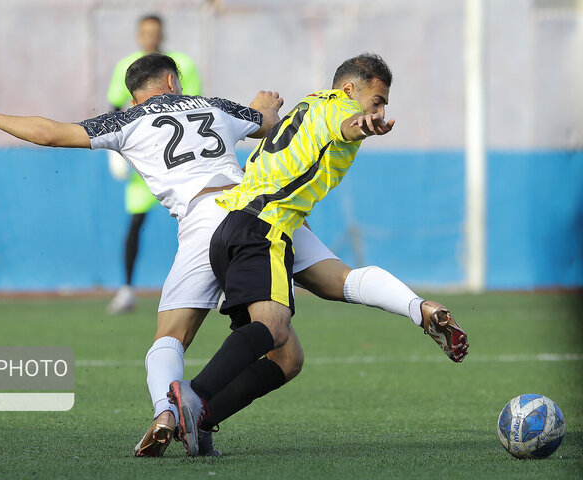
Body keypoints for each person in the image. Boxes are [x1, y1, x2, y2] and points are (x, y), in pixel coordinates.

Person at [0, 53, 466, 459]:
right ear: (172, 80)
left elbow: (52, 132)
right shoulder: (208, 104)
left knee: (173, 338)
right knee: (329, 295)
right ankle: (416, 307)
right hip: (258, 202)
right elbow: (271, 122)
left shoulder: (125, 120)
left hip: (212, 222)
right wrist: (261, 106)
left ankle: (171, 411)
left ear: (138, 94)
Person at [168, 53, 469, 456]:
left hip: (235, 226)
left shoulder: (307, 105)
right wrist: (361, 123)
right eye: (376, 100)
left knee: (289, 355)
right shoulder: (340, 108)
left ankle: (201, 420)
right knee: (274, 328)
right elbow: (346, 124)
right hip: (265, 229)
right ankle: (193, 397)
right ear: (349, 89)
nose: (379, 110)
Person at [106, 14, 202, 314]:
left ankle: (219, 283)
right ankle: (127, 289)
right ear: (138, 35)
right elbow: (116, 107)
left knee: (200, 221)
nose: (150, 37)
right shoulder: (127, 67)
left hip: (181, 163)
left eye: (155, 32)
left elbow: (196, 107)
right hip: (144, 166)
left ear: (162, 34)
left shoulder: (181, 64)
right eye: (145, 32)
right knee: (135, 224)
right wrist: (115, 151)